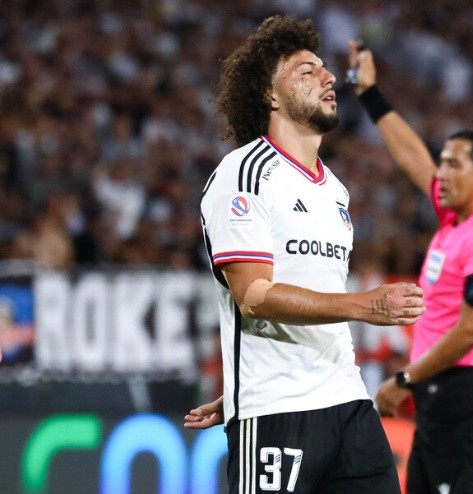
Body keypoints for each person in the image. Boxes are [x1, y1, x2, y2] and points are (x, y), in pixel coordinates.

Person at [184, 16, 426, 494]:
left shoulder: (334, 190)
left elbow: (309, 295)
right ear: (270, 95)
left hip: (347, 400)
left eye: (325, 68)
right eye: (306, 71)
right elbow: (254, 296)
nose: (328, 77)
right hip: (277, 411)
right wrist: (364, 304)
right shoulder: (244, 173)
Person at [348, 42, 473, 494]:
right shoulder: (456, 220)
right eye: (442, 162)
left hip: (463, 396)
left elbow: (470, 332)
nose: (440, 173)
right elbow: (413, 156)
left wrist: (406, 379)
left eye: (453, 165)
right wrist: (370, 94)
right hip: (438, 398)